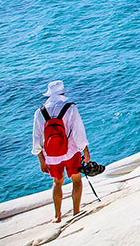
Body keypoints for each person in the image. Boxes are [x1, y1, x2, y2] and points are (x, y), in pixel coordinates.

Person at [31, 80, 91, 222]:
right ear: (63, 92)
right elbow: (78, 132)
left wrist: (41, 160)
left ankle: (57, 216)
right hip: (71, 152)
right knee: (76, 180)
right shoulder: (70, 108)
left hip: (52, 155)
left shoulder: (40, 112)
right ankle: (76, 212)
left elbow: (37, 137)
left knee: (57, 183)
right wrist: (85, 151)